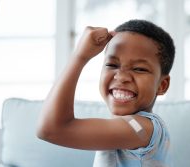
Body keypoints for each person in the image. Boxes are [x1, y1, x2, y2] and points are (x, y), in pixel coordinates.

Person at [37, 19, 175, 167]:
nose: (121, 77)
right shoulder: (128, 128)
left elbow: (51, 129)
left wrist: (80, 56)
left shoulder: (141, 128)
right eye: (112, 65)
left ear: (162, 85)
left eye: (139, 69)